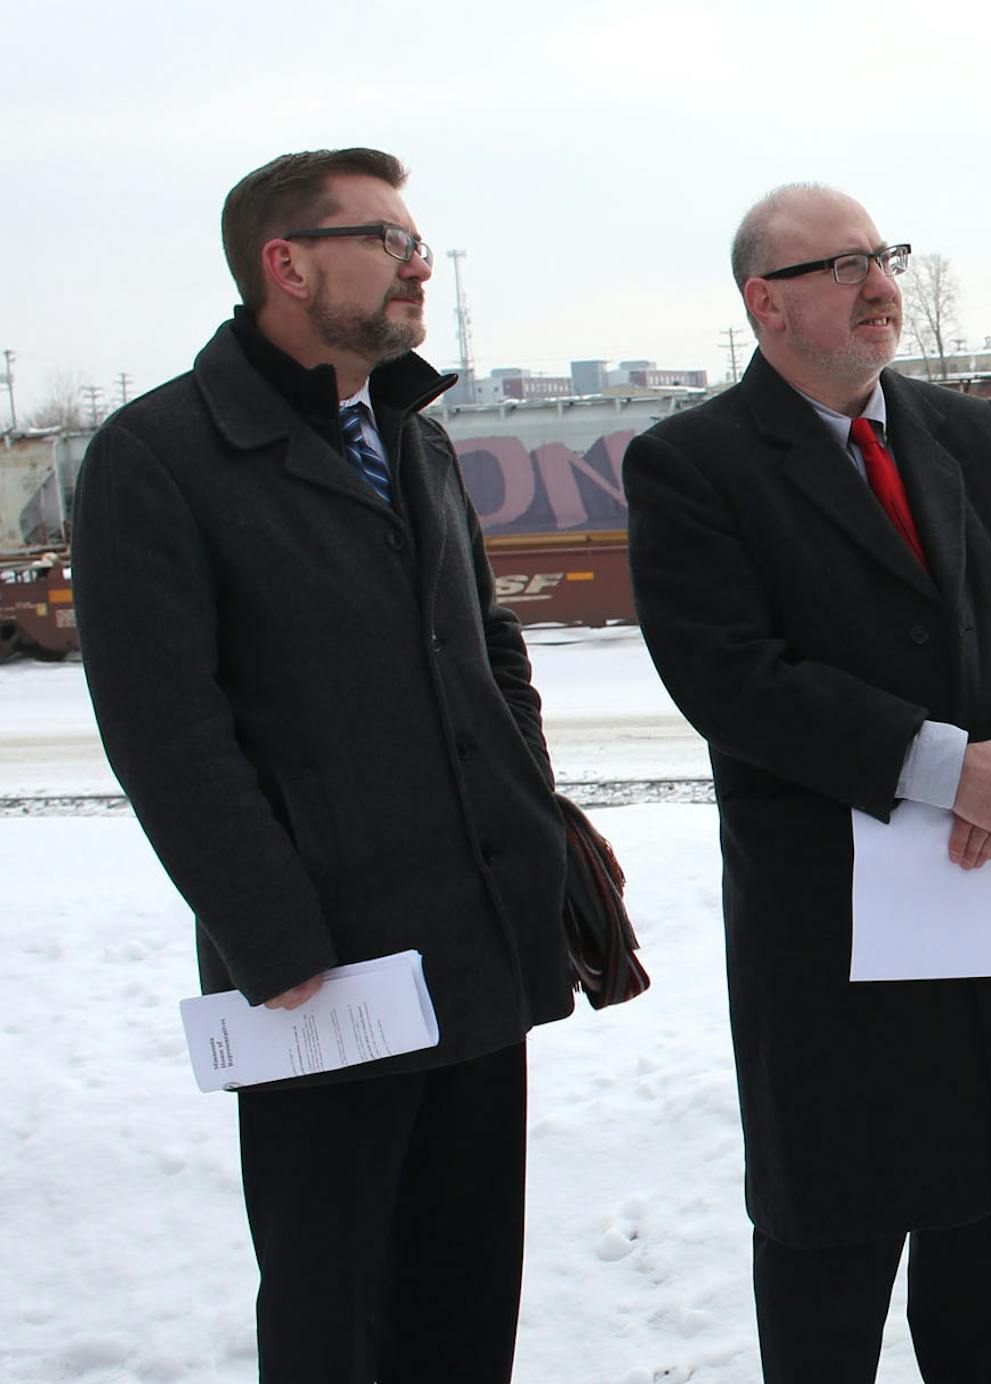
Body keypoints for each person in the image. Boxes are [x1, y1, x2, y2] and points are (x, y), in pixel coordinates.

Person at [71, 148, 574, 1382]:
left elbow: (486, 645)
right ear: (286, 265)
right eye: (386, 239)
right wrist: (275, 937)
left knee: (464, 1295)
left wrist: (523, 811)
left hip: (472, 939)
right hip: (325, 972)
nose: (418, 263)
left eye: (416, 239)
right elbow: (164, 727)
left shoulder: (410, 434)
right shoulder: (159, 454)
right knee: (334, 1303)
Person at [622, 184, 991, 1384]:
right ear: (767, 303)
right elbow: (729, 674)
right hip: (838, 938)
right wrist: (945, 768)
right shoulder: (692, 464)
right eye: (843, 266)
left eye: (884, 256)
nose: (882, 285)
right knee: (831, 1269)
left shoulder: (971, 434)